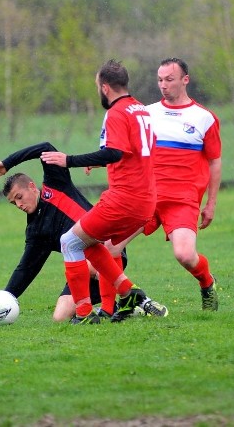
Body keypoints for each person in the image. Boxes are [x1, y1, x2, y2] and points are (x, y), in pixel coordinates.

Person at [40, 59, 168, 324]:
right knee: (91, 242)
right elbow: (134, 152)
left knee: (69, 242)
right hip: (146, 200)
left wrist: (70, 160)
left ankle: (85, 314)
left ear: (105, 87)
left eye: (98, 86)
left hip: (124, 198)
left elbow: (114, 151)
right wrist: (100, 161)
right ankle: (127, 292)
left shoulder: (117, 112)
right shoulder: (141, 110)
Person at [0, 142, 129, 322]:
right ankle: (115, 306)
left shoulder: (56, 183)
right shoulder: (36, 232)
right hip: (79, 271)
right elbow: (26, 269)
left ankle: (130, 298)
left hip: (110, 251)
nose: (19, 205)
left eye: (19, 197)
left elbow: (44, 148)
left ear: (32, 186)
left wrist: (8, 163)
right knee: (60, 318)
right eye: (13, 203)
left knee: (87, 263)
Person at [144, 57, 221, 311]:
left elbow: (214, 162)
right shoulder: (148, 113)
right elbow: (129, 149)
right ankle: (120, 303)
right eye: (159, 80)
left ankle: (207, 283)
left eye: (169, 79)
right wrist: (99, 161)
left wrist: (210, 203)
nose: (163, 85)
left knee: (185, 255)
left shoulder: (204, 118)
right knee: (110, 246)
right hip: (147, 197)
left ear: (185, 80)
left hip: (182, 199)